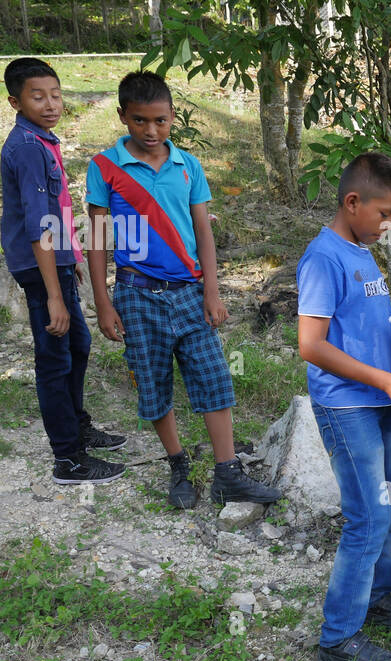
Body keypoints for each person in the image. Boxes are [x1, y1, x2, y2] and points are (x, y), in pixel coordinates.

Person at [85, 71, 281, 510]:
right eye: (139, 121)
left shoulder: (188, 165)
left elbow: (203, 233)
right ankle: (177, 463)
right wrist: (103, 302)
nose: (151, 131)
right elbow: (96, 238)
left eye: (160, 121)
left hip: (190, 291)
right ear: (122, 117)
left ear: (173, 117)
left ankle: (227, 472)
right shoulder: (105, 167)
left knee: (213, 374)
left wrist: (212, 291)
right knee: (153, 384)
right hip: (136, 293)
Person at [296, 152, 391, 661]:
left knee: (390, 504)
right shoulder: (323, 258)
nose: (388, 225)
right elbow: (311, 345)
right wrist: (385, 380)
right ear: (352, 203)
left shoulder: (360, 249)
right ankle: (338, 638)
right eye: (385, 214)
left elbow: (356, 323)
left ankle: (376, 597)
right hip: (349, 406)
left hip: (380, 402)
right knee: (368, 518)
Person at [0, 57, 126, 485]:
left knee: (78, 345)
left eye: (55, 94)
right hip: (42, 270)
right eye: (38, 96)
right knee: (54, 359)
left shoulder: (43, 141)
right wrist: (55, 294)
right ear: (15, 101)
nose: (50, 103)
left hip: (58, 262)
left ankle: (79, 427)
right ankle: (68, 460)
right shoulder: (28, 149)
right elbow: (38, 226)